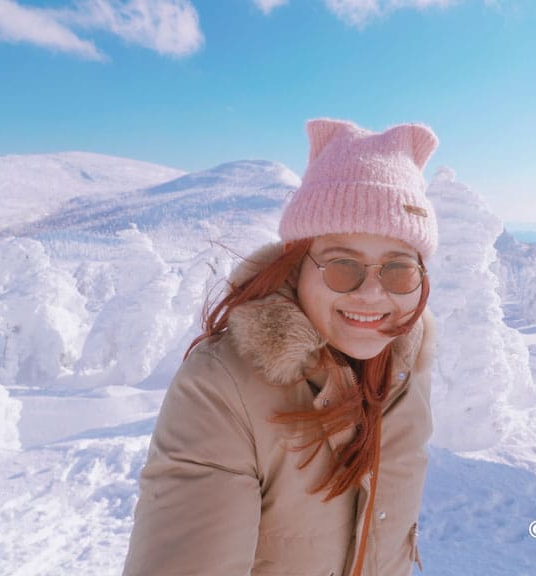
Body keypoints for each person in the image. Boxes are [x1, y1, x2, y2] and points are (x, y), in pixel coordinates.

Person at [123, 118, 440, 576]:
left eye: (398, 269)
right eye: (342, 265)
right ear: (295, 266)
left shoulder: (405, 370)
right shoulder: (223, 386)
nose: (373, 295)